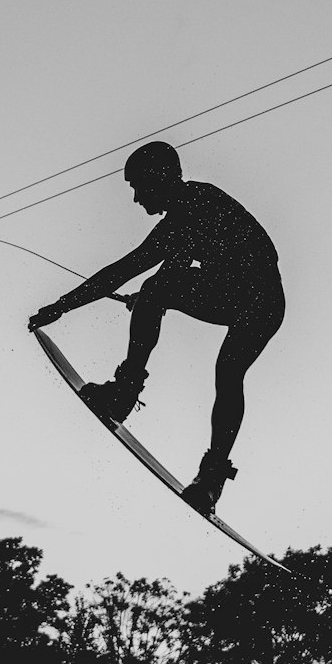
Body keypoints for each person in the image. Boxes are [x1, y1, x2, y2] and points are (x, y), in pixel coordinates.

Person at [28, 141, 284, 514]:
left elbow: (124, 270)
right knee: (156, 293)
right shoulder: (184, 216)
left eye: (137, 188)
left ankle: (207, 474)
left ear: (157, 179)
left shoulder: (197, 205)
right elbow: (156, 270)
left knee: (227, 371)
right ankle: (126, 395)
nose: (135, 199)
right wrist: (152, 296)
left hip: (260, 303)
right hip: (242, 297)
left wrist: (62, 306)